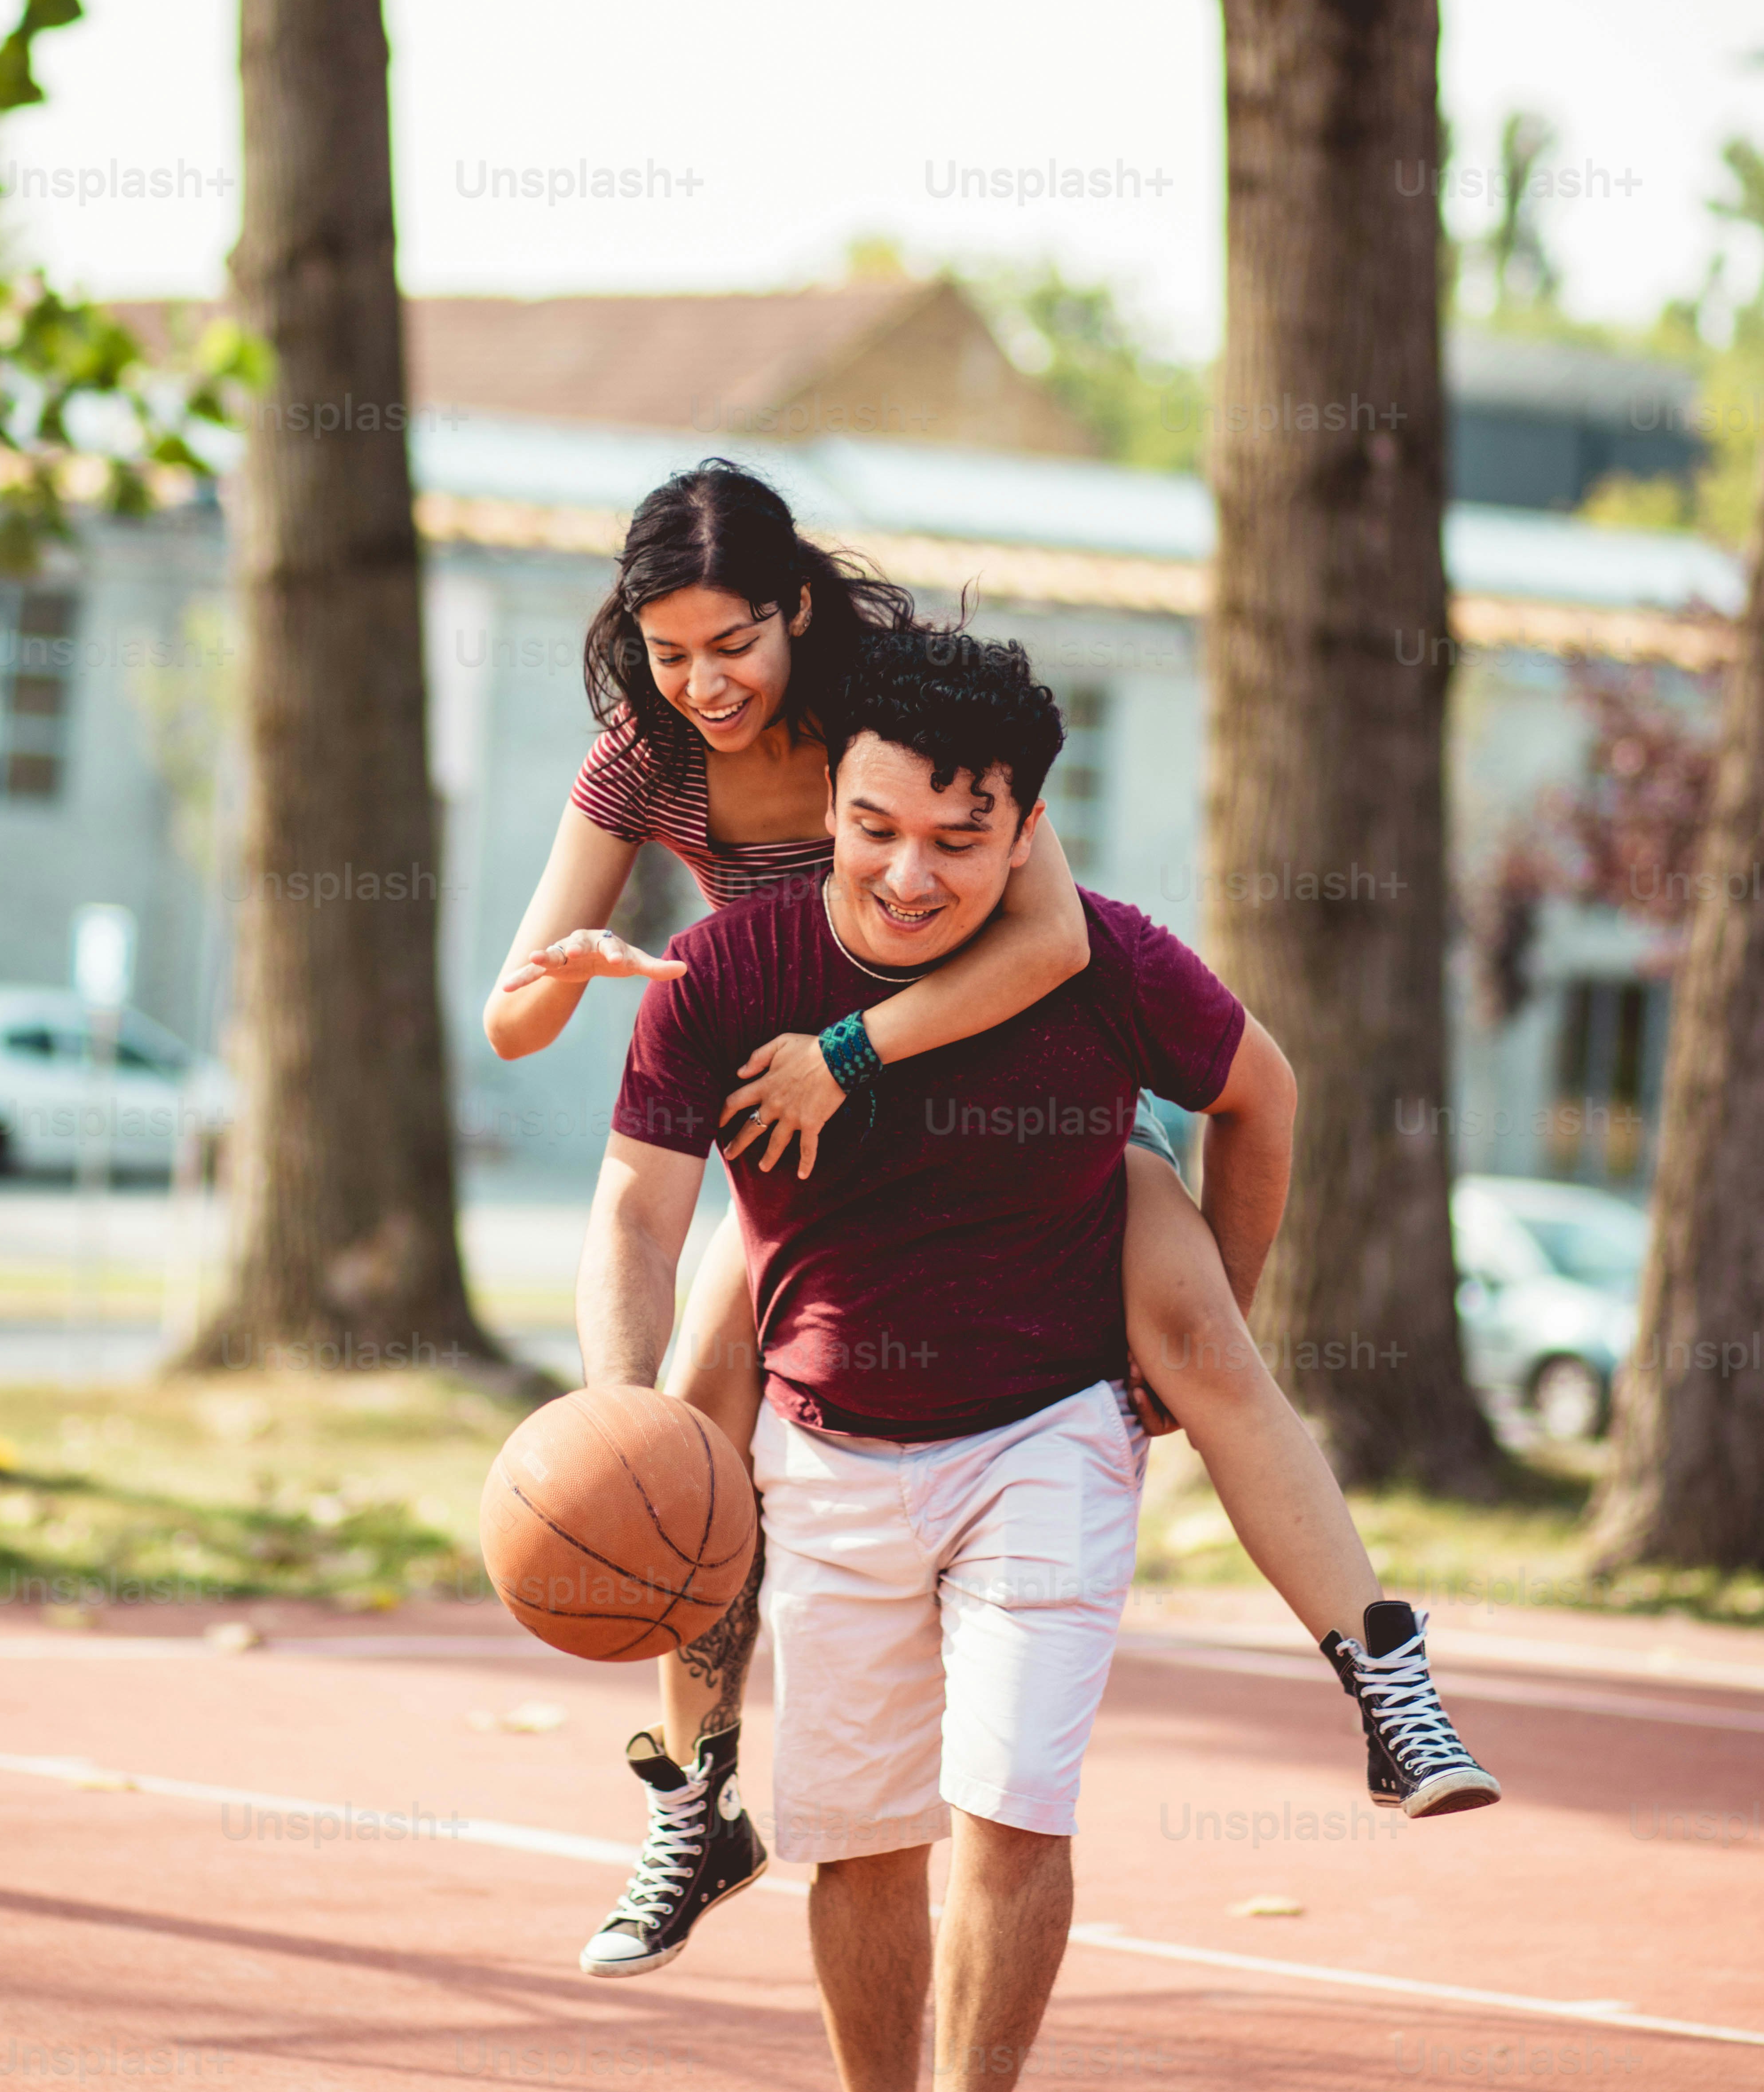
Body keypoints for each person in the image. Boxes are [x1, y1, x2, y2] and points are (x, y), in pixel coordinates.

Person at [572, 626, 1498, 2092]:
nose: (909, 872)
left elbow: (1261, 1093)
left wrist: (1213, 1296)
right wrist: (611, 1412)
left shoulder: (1109, 965)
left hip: (1049, 1441)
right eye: (873, 828)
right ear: (831, 802)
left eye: (958, 837)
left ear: (1026, 836)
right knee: (861, 1841)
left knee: (1011, 1805)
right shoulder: (732, 976)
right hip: (829, 1452)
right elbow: (637, 1209)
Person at [484, 460, 1492, 1986]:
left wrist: (850, 1051)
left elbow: (1054, 943)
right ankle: (699, 1806)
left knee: (1205, 1336)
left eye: (734, 643)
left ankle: (1387, 1677)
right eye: (670, 649)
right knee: (681, 1425)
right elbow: (511, 1023)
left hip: (990, 1083)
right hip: (807, 1144)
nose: (706, 682)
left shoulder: (895, 719)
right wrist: (568, 967)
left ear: (798, 610)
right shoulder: (643, 759)